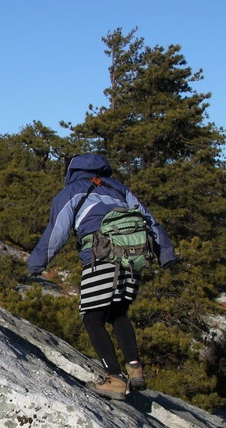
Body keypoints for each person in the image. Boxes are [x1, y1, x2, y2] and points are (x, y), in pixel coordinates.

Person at [28, 153, 175, 400]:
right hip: (134, 260)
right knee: (118, 313)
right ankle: (135, 368)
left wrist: (35, 265)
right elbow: (150, 221)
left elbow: (56, 232)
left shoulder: (73, 191)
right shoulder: (119, 189)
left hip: (102, 257)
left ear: (71, 171)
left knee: (92, 318)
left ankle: (115, 379)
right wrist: (166, 253)